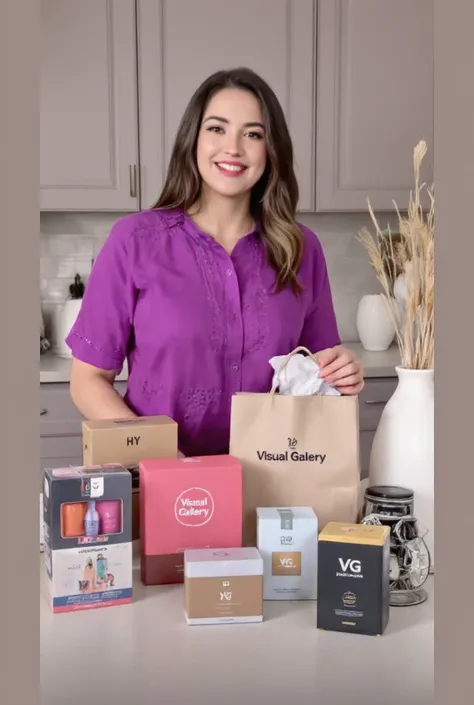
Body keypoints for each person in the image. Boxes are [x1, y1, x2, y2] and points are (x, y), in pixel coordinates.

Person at [66, 67, 364, 457]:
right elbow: (87, 381)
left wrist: (342, 373)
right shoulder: (134, 242)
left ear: (271, 150)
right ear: (193, 140)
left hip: (274, 489)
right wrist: (161, 458)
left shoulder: (301, 249)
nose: (234, 148)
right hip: (161, 484)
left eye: (253, 134)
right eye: (217, 129)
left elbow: (315, 379)